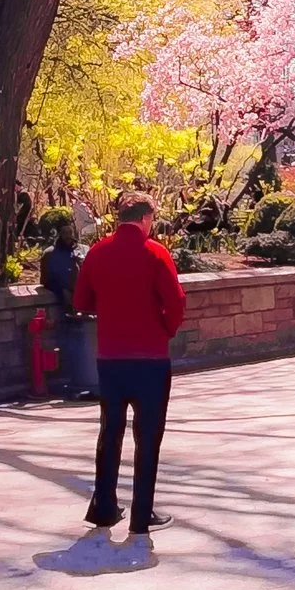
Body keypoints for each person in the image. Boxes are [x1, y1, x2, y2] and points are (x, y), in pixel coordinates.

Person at [72, 191, 187, 544]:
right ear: (145, 219)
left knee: (111, 430)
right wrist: (164, 330)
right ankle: (141, 515)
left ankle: (104, 506)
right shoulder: (155, 253)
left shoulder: (98, 252)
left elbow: (81, 300)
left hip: (110, 357)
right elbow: (176, 302)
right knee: (147, 436)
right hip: (150, 359)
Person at [39, 214, 96, 402]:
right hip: (66, 306)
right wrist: (63, 293)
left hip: (88, 305)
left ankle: (92, 380)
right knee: (71, 345)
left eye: (70, 231)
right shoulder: (50, 254)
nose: (68, 235)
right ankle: (75, 380)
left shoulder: (84, 250)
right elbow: (46, 280)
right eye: (64, 231)